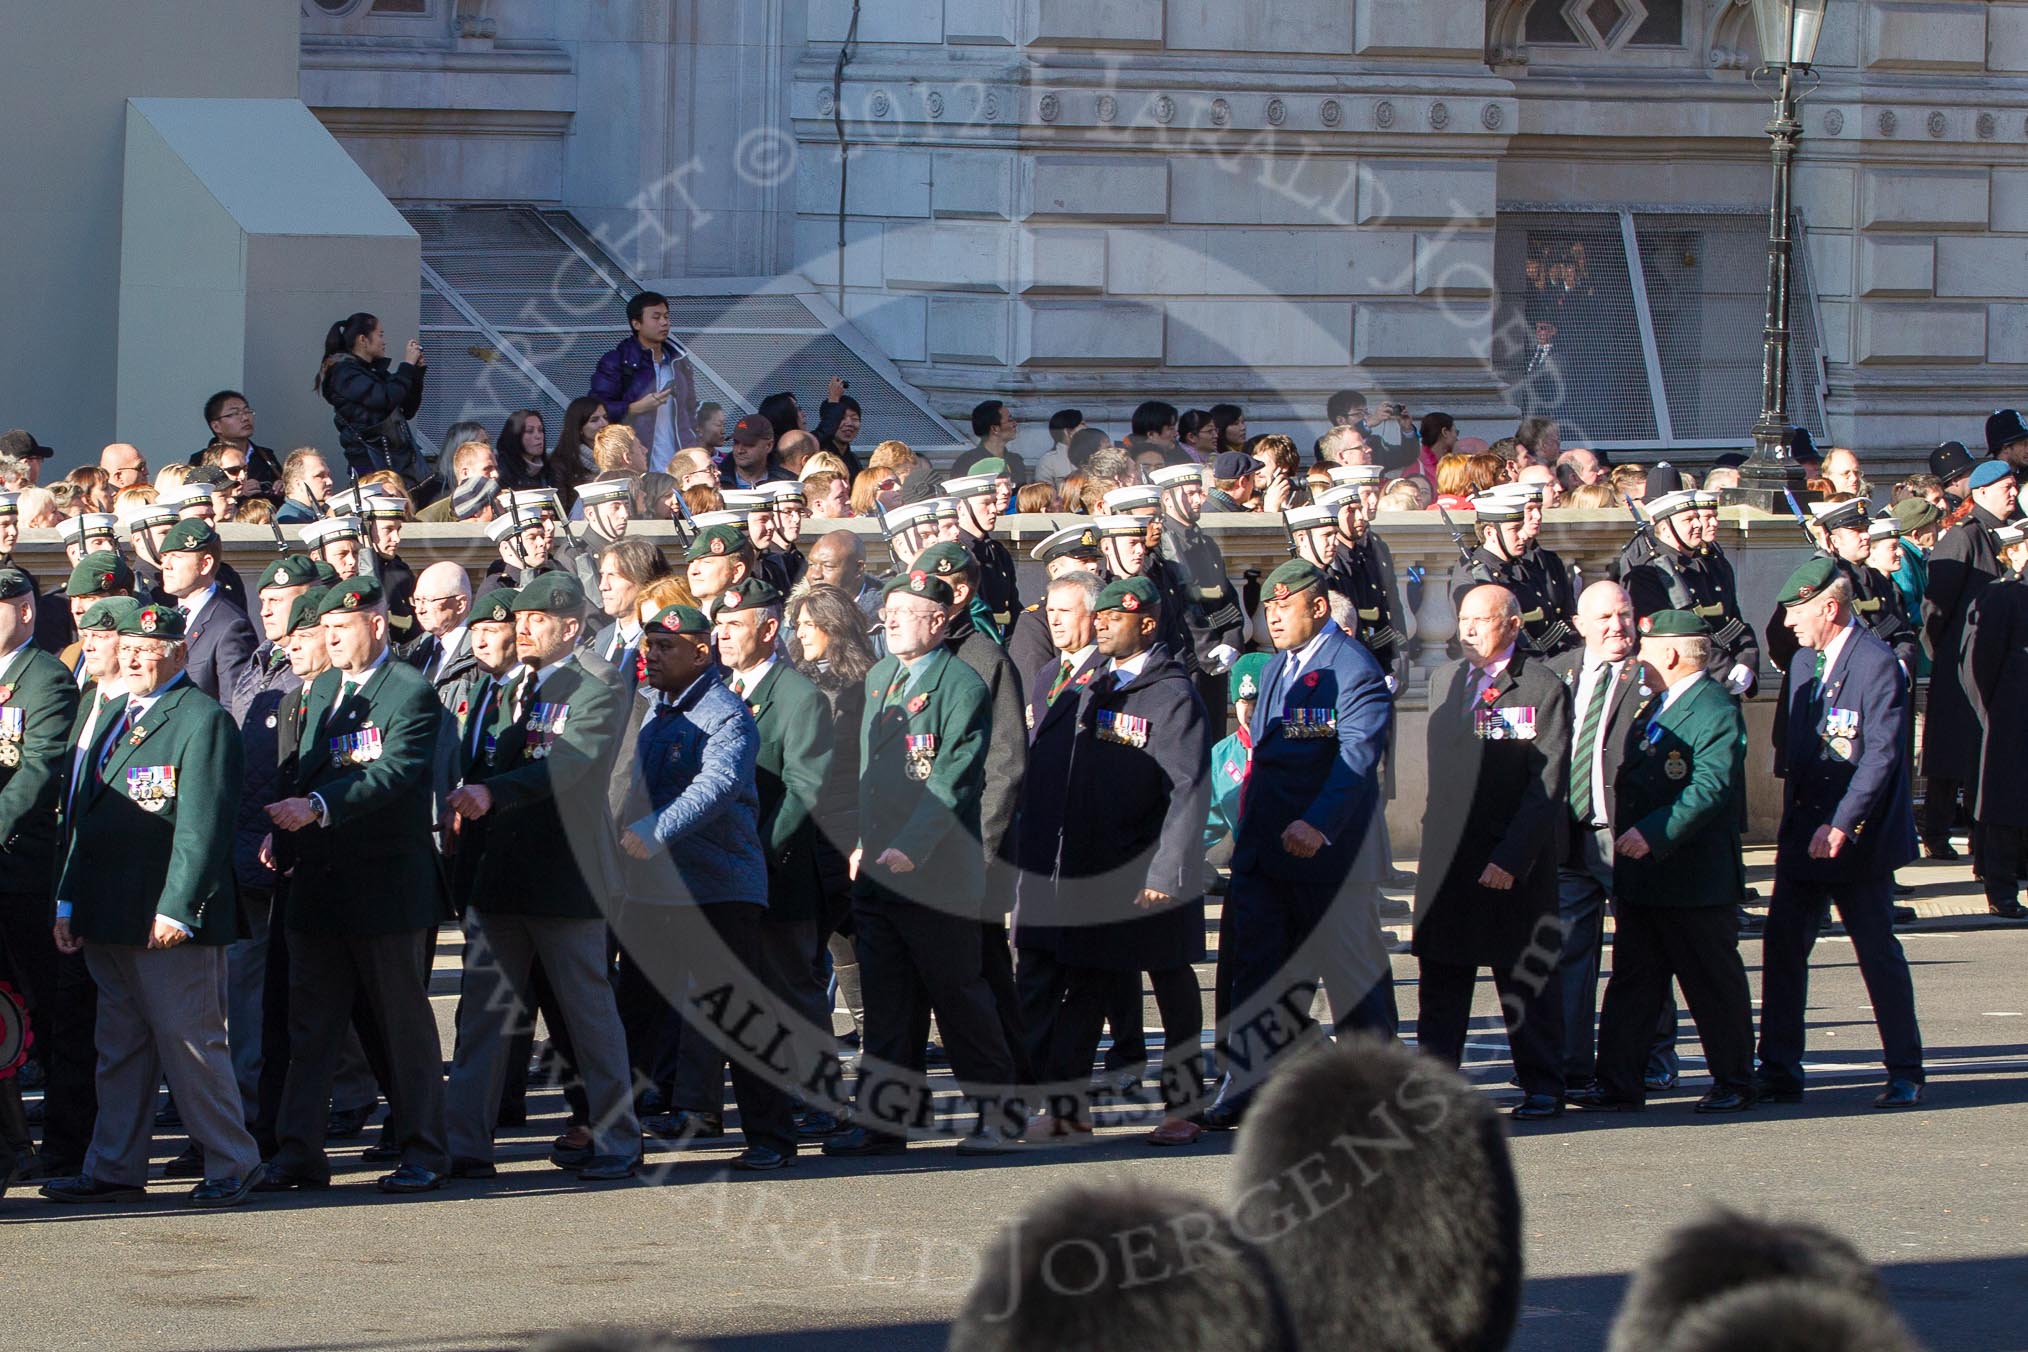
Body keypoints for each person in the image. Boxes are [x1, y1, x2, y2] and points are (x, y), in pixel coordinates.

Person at [37, 598, 265, 1207]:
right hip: (108, 914)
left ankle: (232, 1161)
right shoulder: (111, 711)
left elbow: (202, 827)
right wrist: (67, 902)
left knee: (191, 1044)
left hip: (165, 918)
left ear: (180, 652)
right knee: (120, 1050)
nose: (136, 659)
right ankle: (113, 1165)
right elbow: (81, 822)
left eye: (150, 649)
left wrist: (178, 908)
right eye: (129, 649)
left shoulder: (201, 718)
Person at [440, 572, 638, 1180]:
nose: (522, 627)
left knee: (588, 1020)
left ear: (571, 627)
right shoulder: (508, 690)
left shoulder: (597, 685)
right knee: (482, 1021)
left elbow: (570, 764)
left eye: (538, 619)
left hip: (563, 880)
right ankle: (465, 1147)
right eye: (517, 618)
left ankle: (617, 1143)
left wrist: (489, 793)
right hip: (499, 878)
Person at [260, 577, 453, 1193]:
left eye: (342, 628)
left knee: (402, 1027)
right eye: (326, 631)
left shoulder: (410, 693)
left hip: (384, 888)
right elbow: (295, 772)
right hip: (318, 888)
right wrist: (282, 832)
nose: (331, 639)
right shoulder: (313, 694)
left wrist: (317, 805)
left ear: (376, 624)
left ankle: (424, 1148)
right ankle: (298, 1153)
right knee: (311, 1028)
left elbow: (394, 773)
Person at [823, 571, 1023, 1156]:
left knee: (959, 995)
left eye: (905, 611)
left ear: (937, 621)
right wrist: (863, 841)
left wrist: (911, 845)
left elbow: (954, 778)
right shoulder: (883, 676)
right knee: (888, 1001)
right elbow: (872, 778)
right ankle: (887, 1118)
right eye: (887, 609)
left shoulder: (960, 684)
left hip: (935, 871)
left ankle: (998, 1114)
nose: (890, 619)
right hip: (880, 872)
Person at [1203, 559, 1394, 1130]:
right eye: (1268, 609)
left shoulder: (1352, 667)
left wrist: (1319, 823)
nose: (1273, 618)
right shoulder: (1281, 666)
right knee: (1260, 974)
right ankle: (1252, 1086)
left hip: (1325, 856)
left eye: (1283, 608)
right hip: (1266, 851)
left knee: (1351, 977)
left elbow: (1356, 759)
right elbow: (1263, 760)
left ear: (1317, 606)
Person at [613, 602, 800, 1171]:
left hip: (718, 888)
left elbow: (716, 785)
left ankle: (771, 1137)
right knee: (635, 1016)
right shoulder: (652, 710)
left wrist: (654, 829)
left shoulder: (726, 714)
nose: (653, 656)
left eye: (666, 647)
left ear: (702, 650)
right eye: (648, 646)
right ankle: (616, 1136)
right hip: (655, 889)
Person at [1027, 577, 1211, 1146]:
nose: (1102, 624)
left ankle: (1184, 1107)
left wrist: (1166, 874)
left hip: (1152, 870)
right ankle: (1067, 1108)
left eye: (1115, 618)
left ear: (1147, 624)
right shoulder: (1096, 685)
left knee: (1172, 987)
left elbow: (1188, 790)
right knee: (1084, 986)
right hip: (1095, 868)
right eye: (1099, 616)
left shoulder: (1172, 693)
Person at [664, 577, 839, 1140]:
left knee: (791, 987)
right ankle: (698, 1106)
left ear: (770, 629)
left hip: (777, 870)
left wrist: (758, 857)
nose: (723, 635)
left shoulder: (798, 697)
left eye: (735, 625)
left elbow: (804, 790)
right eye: (718, 626)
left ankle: (816, 1097)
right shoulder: (711, 693)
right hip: (716, 875)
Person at [1569, 611, 1755, 1115]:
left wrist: (1652, 835)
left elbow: (1709, 787)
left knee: (1712, 984)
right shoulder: (1660, 703)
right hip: (1646, 879)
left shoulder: (1714, 708)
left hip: (1693, 880)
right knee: (1633, 985)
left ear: (1670, 654)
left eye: (1646, 649)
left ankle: (1735, 1079)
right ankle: (1618, 1081)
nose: (1638, 658)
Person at [1758, 559, 1924, 1109]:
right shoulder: (1806, 661)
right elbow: (1795, 747)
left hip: (1857, 837)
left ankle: (1905, 1069)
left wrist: (1843, 822)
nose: (1788, 623)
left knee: (1877, 952)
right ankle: (1779, 1067)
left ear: (1830, 608)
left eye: (1796, 611)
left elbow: (1880, 756)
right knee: (1783, 948)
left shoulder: (1876, 664)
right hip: (1805, 829)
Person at [1414, 583, 1572, 1121]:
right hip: (1448, 861)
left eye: (1482, 620)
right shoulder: (1445, 681)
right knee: (1442, 981)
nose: (1469, 630)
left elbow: (1546, 784)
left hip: (1511, 861)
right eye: (1463, 619)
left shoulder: (1541, 687)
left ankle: (1543, 1084)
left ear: (1511, 624)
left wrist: (1511, 858)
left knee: (1523, 979)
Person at [1550, 581, 1670, 1094]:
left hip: (1628, 835)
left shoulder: (1652, 676)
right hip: (1570, 835)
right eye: (1604, 618)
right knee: (1568, 956)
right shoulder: (1559, 674)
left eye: (1624, 614)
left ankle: (1653, 1060)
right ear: (1580, 625)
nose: (1617, 626)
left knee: (1643, 956)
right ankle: (1572, 1065)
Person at [1918, 459, 2016, 860]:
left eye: (2014, 485)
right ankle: (1937, 830)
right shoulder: (1964, 537)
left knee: (1983, 750)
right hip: (1962, 660)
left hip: (1995, 659)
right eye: (2005, 486)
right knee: (1952, 750)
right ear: (1981, 492)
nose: (2013, 492)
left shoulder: (2004, 533)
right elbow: (1936, 605)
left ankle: (1981, 834)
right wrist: (1943, 653)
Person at [1624, 490, 1760, 695]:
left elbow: (1734, 621)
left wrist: (1747, 661)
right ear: (1665, 528)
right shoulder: (1648, 572)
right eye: (1688, 519)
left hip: (1723, 680)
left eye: (1697, 518)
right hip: (1682, 683)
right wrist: (1725, 670)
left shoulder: (1713, 564)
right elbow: (1672, 637)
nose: (1698, 525)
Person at [1960, 522, 2028, 920]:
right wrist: (1993, 713)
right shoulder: (2002, 596)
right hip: (2010, 715)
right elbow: (1978, 665)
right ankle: (2000, 887)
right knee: (2002, 804)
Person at [1149, 463, 1244, 713]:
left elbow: (1226, 598)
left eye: (1199, 492)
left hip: (1214, 656)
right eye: (1190, 493)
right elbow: (1184, 606)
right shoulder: (1164, 546)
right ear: (1167, 499)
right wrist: (1207, 651)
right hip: (1190, 661)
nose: (1199, 499)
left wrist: (1232, 640)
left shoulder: (1206, 543)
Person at [588, 290, 698, 473]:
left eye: (666, 316)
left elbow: (690, 410)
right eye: (656, 317)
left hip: (679, 466)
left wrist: (694, 446)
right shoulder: (617, 361)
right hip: (636, 464)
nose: (664, 322)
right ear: (636, 323)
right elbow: (595, 409)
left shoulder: (678, 361)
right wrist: (633, 408)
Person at [152, 520, 257, 701]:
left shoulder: (230, 625)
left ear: (205, 564)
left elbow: (235, 705)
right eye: (164, 556)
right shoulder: (167, 617)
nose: (165, 565)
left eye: (176, 556)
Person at [316, 312, 427, 483]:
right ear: (363, 340)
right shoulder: (344, 373)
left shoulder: (373, 372)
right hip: (368, 461)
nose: (384, 342)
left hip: (395, 457)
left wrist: (416, 374)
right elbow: (385, 399)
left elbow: (406, 408)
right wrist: (406, 366)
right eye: (380, 335)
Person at [403, 561, 476, 696]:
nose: (419, 610)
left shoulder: (480, 654)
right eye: (417, 600)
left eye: (428, 600)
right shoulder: (412, 652)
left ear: (460, 604)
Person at [194, 391, 285, 495]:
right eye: (234, 414)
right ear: (216, 426)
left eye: (247, 411)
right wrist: (237, 493)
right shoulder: (200, 461)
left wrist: (282, 488)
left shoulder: (266, 456)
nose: (245, 418)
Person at [415, 441, 500, 524]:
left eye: (496, 468)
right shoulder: (427, 519)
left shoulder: (505, 503)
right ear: (465, 473)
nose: (496, 474)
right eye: (487, 469)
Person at [274, 449, 336, 526]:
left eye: (328, 475)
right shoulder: (289, 520)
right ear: (298, 484)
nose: (329, 482)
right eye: (319, 476)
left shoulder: (322, 511)